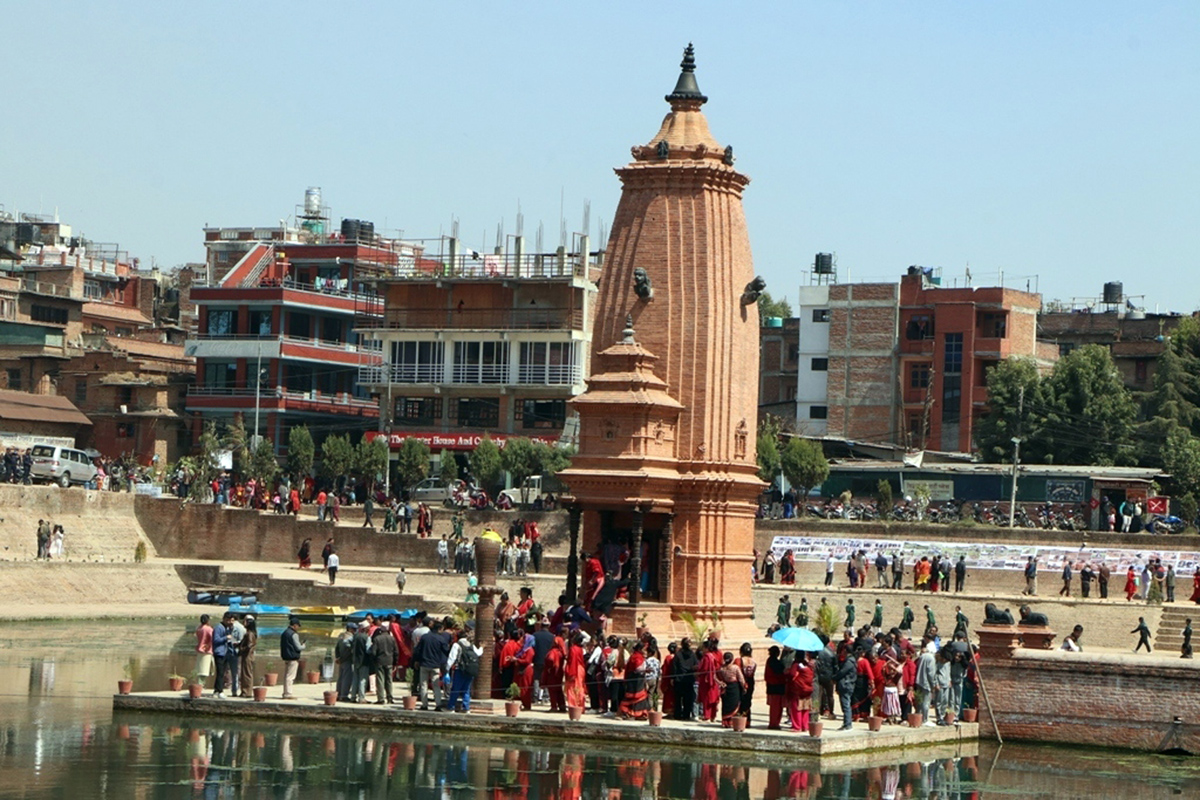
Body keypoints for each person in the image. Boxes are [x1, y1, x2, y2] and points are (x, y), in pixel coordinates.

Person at [447, 630, 483, 712]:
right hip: (469, 670)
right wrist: (481, 647)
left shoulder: (457, 645)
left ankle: (451, 706)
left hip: (459, 670)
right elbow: (478, 653)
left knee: (456, 689)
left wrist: (447, 669)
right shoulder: (471, 645)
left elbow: (452, 658)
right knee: (466, 689)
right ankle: (466, 708)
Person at [716, 652, 746, 728]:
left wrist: (720, 683)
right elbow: (741, 679)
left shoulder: (721, 668)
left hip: (725, 687)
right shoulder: (735, 668)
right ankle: (731, 722)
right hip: (734, 688)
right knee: (734, 704)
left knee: (726, 705)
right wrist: (744, 687)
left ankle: (725, 722)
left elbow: (716, 677)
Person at [672, 638, 698, 720]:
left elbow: (674, 667)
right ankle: (686, 714)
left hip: (679, 679)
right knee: (688, 698)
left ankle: (678, 714)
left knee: (678, 698)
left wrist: (673, 677)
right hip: (689, 678)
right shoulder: (693, 655)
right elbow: (696, 665)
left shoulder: (678, 654)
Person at [280, 616, 305, 699]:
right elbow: (298, 647)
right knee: (290, 676)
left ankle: (285, 692)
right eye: (298, 626)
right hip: (293, 657)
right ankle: (288, 693)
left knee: (286, 675)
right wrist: (303, 646)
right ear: (294, 625)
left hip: (286, 656)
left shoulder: (284, 633)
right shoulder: (293, 634)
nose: (298, 628)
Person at [372, 621, 397, 704]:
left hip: (379, 662)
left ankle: (381, 698)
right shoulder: (392, 639)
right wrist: (395, 663)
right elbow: (396, 652)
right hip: (389, 661)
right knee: (389, 680)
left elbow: (373, 652)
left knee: (380, 680)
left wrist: (374, 660)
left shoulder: (377, 639)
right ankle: (390, 698)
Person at [834, 649, 858, 731]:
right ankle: (846, 723)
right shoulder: (850, 661)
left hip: (846, 685)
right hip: (847, 684)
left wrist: (834, 678)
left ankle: (848, 724)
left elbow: (842, 672)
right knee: (845, 704)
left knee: (846, 704)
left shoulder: (849, 662)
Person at [763, 645, 786, 729]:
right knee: (776, 707)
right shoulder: (774, 662)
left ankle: (775, 722)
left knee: (776, 707)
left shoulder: (771, 661)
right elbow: (779, 672)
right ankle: (774, 723)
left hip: (773, 686)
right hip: (776, 687)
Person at [349, 621, 372, 703]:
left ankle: (353, 697)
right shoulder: (367, 637)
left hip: (355, 660)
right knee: (362, 680)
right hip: (363, 661)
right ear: (365, 629)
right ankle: (361, 698)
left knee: (355, 679)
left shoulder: (355, 636)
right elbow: (368, 650)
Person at [334, 622, 356, 701]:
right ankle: (344, 695)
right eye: (354, 629)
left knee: (340, 678)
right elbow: (350, 650)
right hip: (347, 660)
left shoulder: (341, 636)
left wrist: (338, 658)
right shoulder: (350, 638)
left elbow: (336, 648)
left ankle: (338, 694)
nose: (355, 631)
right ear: (350, 629)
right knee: (347, 679)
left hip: (341, 660)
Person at [237, 616, 257, 698]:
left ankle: (247, 691)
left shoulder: (250, 634)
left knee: (246, 674)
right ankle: (245, 691)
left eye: (246, 622)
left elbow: (249, 645)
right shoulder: (250, 633)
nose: (244, 623)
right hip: (248, 656)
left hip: (247, 656)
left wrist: (241, 649)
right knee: (245, 673)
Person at [194, 614, 214, 690]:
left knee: (200, 668)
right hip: (207, 651)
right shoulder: (209, 629)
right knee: (205, 670)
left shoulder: (198, 628)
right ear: (208, 621)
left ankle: (200, 684)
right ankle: (201, 685)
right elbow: (213, 639)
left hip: (199, 650)